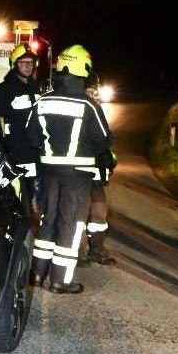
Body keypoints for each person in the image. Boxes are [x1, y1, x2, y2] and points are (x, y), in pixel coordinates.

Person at [31, 44, 110, 294]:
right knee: (70, 226)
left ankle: (36, 274)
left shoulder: (43, 101)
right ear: (83, 69)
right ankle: (60, 281)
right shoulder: (88, 105)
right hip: (77, 176)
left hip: (48, 173)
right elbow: (104, 139)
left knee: (47, 222)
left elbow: (32, 137)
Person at [0, 43, 44, 205]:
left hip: (35, 147)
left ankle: (34, 220)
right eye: (23, 63)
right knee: (21, 191)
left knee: (36, 189)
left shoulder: (34, 86)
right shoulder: (4, 89)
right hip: (16, 148)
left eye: (31, 63)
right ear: (15, 65)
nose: (28, 67)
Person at [79, 77, 118, 266]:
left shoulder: (97, 111)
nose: (93, 96)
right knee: (80, 213)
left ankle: (97, 249)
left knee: (100, 213)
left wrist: (109, 159)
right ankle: (79, 253)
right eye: (89, 92)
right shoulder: (80, 111)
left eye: (95, 93)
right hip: (81, 172)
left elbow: (105, 139)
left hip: (97, 173)